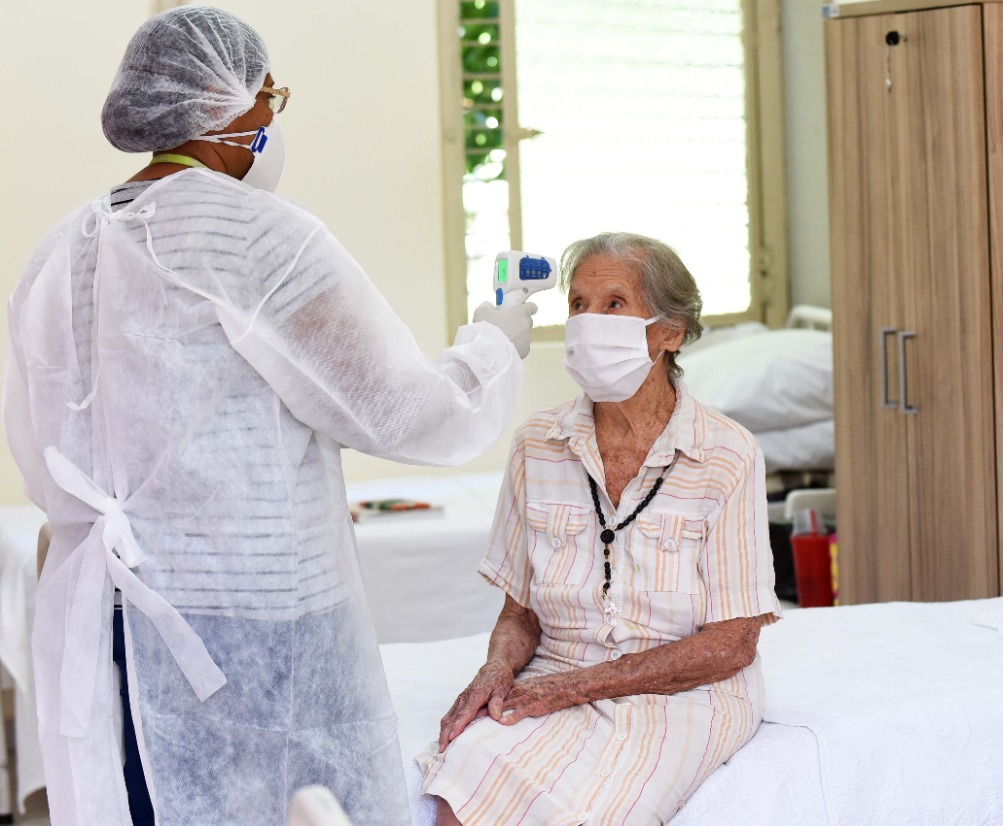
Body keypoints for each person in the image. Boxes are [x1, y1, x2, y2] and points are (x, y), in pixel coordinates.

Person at [3, 7, 537, 825]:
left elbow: (45, 450)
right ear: (224, 110)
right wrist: (493, 349)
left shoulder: (62, 248)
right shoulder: (252, 234)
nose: (274, 118)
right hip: (251, 623)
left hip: (111, 619)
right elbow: (400, 410)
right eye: (268, 96)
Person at [418, 232, 781, 826]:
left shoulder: (727, 453)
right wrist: (496, 671)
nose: (589, 322)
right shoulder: (537, 444)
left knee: (596, 811)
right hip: (555, 670)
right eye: (578, 305)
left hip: (686, 691)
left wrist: (576, 690)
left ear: (671, 332)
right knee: (461, 791)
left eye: (613, 304)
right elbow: (520, 615)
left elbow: (731, 644)